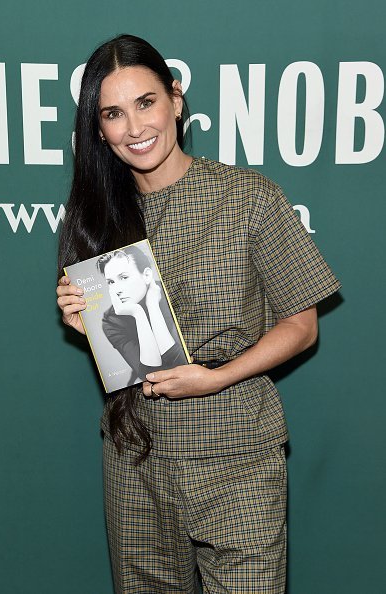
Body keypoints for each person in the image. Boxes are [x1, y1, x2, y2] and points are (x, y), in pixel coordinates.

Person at [56, 34, 341, 594]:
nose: (135, 128)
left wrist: (216, 376)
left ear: (176, 99)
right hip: (137, 457)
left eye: (146, 103)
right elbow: (127, 341)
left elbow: (302, 326)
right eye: (113, 113)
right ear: (98, 128)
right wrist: (86, 320)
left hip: (236, 452)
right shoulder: (96, 216)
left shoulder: (249, 197)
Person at [97, 246, 187, 385]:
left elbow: (182, 366)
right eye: (111, 282)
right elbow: (151, 375)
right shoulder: (111, 320)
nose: (117, 289)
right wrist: (138, 313)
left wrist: (153, 306)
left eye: (124, 277)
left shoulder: (169, 291)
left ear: (146, 275)